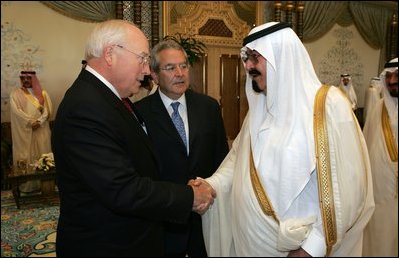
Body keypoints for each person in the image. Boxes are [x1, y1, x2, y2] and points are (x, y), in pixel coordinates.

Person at [194, 22, 374, 257]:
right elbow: (237, 160)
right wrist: (212, 184)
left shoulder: (328, 106)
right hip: (252, 245)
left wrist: (311, 248)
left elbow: (350, 188)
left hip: (299, 249)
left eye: (255, 57)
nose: (247, 66)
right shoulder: (259, 109)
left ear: (281, 57)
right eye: (246, 58)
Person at [51, 19, 215, 257]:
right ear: (110, 54)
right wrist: (188, 196)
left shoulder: (109, 99)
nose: (147, 70)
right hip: (106, 246)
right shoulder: (86, 107)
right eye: (142, 59)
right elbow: (122, 189)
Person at [134, 40, 229, 257]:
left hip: (205, 217)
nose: (180, 73)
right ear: (155, 76)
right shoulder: (140, 113)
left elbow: (221, 160)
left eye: (184, 66)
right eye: (170, 67)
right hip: (163, 221)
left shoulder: (209, 107)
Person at [362, 57, 398, 257]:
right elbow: (366, 145)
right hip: (380, 193)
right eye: (389, 76)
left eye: (397, 75)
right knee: (380, 238)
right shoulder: (377, 110)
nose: (392, 81)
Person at [10, 70, 53, 193]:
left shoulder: (43, 94)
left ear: (34, 78)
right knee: (28, 156)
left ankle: (45, 185)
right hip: (26, 131)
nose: (26, 80)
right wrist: (30, 122)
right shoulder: (15, 94)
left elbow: (48, 110)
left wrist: (39, 122)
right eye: (23, 78)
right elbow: (16, 112)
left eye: (29, 78)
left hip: (41, 130)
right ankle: (29, 186)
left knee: (43, 155)